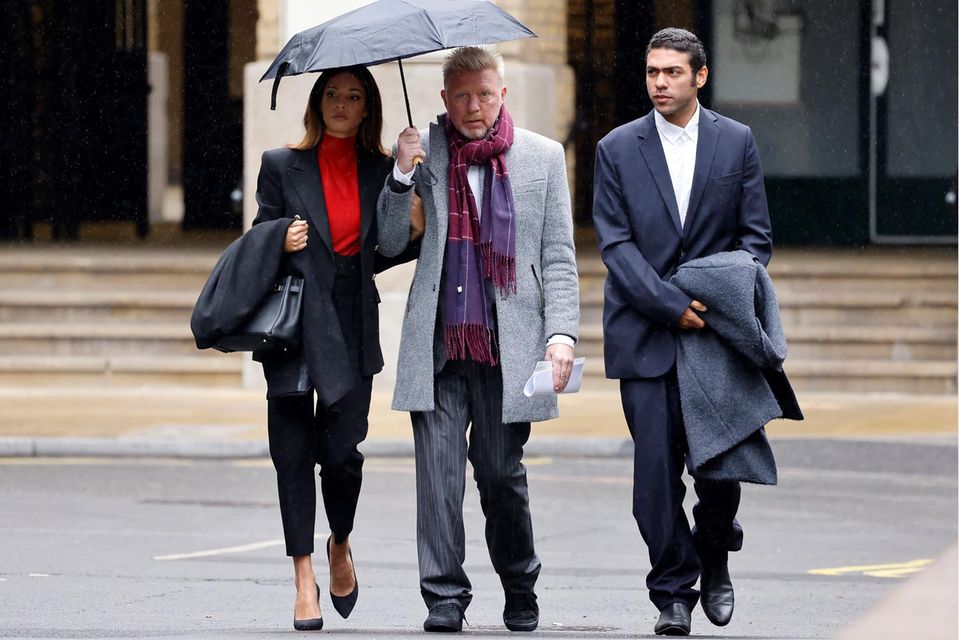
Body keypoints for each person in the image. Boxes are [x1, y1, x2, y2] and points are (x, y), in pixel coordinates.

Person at [376, 46, 579, 633]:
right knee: (437, 481)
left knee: (499, 475)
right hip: (439, 346)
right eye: (461, 95)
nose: (473, 106)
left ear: (503, 94)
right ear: (444, 98)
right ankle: (444, 598)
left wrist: (561, 334)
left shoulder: (542, 158)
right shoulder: (425, 151)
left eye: (484, 94)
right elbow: (390, 245)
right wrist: (400, 175)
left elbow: (559, 259)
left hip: (507, 348)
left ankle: (520, 581)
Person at [591, 28, 774, 636]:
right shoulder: (616, 148)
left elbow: (755, 241)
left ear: (700, 76)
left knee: (718, 469)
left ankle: (715, 553)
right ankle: (672, 592)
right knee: (654, 480)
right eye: (651, 72)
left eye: (672, 72)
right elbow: (614, 246)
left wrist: (721, 302)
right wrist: (670, 305)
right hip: (645, 332)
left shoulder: (736, 141)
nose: (660, 82)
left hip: (715, 337)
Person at [251, 65, 416, 631]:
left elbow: (390, 248)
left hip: (349, 319)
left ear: (367, 107)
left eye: (353, 96)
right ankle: (303, 579)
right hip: (294, 323)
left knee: (342, 453)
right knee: (292, 451)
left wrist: (405, 180)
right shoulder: (280, 164)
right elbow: (256, 240)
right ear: (316, 102)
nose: (341, 104)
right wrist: (280, 236)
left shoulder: (379, 169)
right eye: (331, 94)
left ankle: (340, 541)